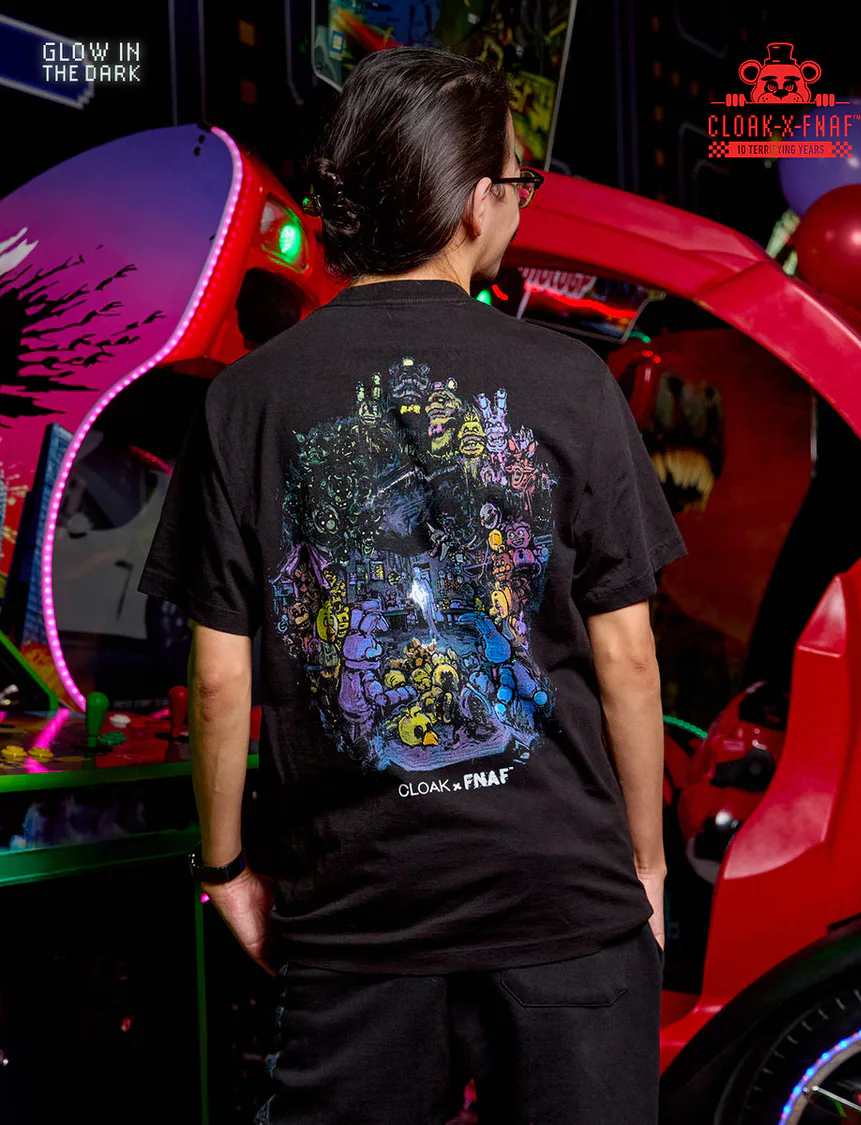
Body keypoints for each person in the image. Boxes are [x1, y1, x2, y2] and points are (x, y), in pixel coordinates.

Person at [138, 44, 687, 1125]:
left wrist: (226, 868)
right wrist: (648, 866)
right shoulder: (571, 384)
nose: (521, 204)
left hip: (357, 915)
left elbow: (218, 678)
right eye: (521, 181)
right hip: (563, 904)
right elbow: (627, 655)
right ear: (476, 202)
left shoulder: (247, 401)